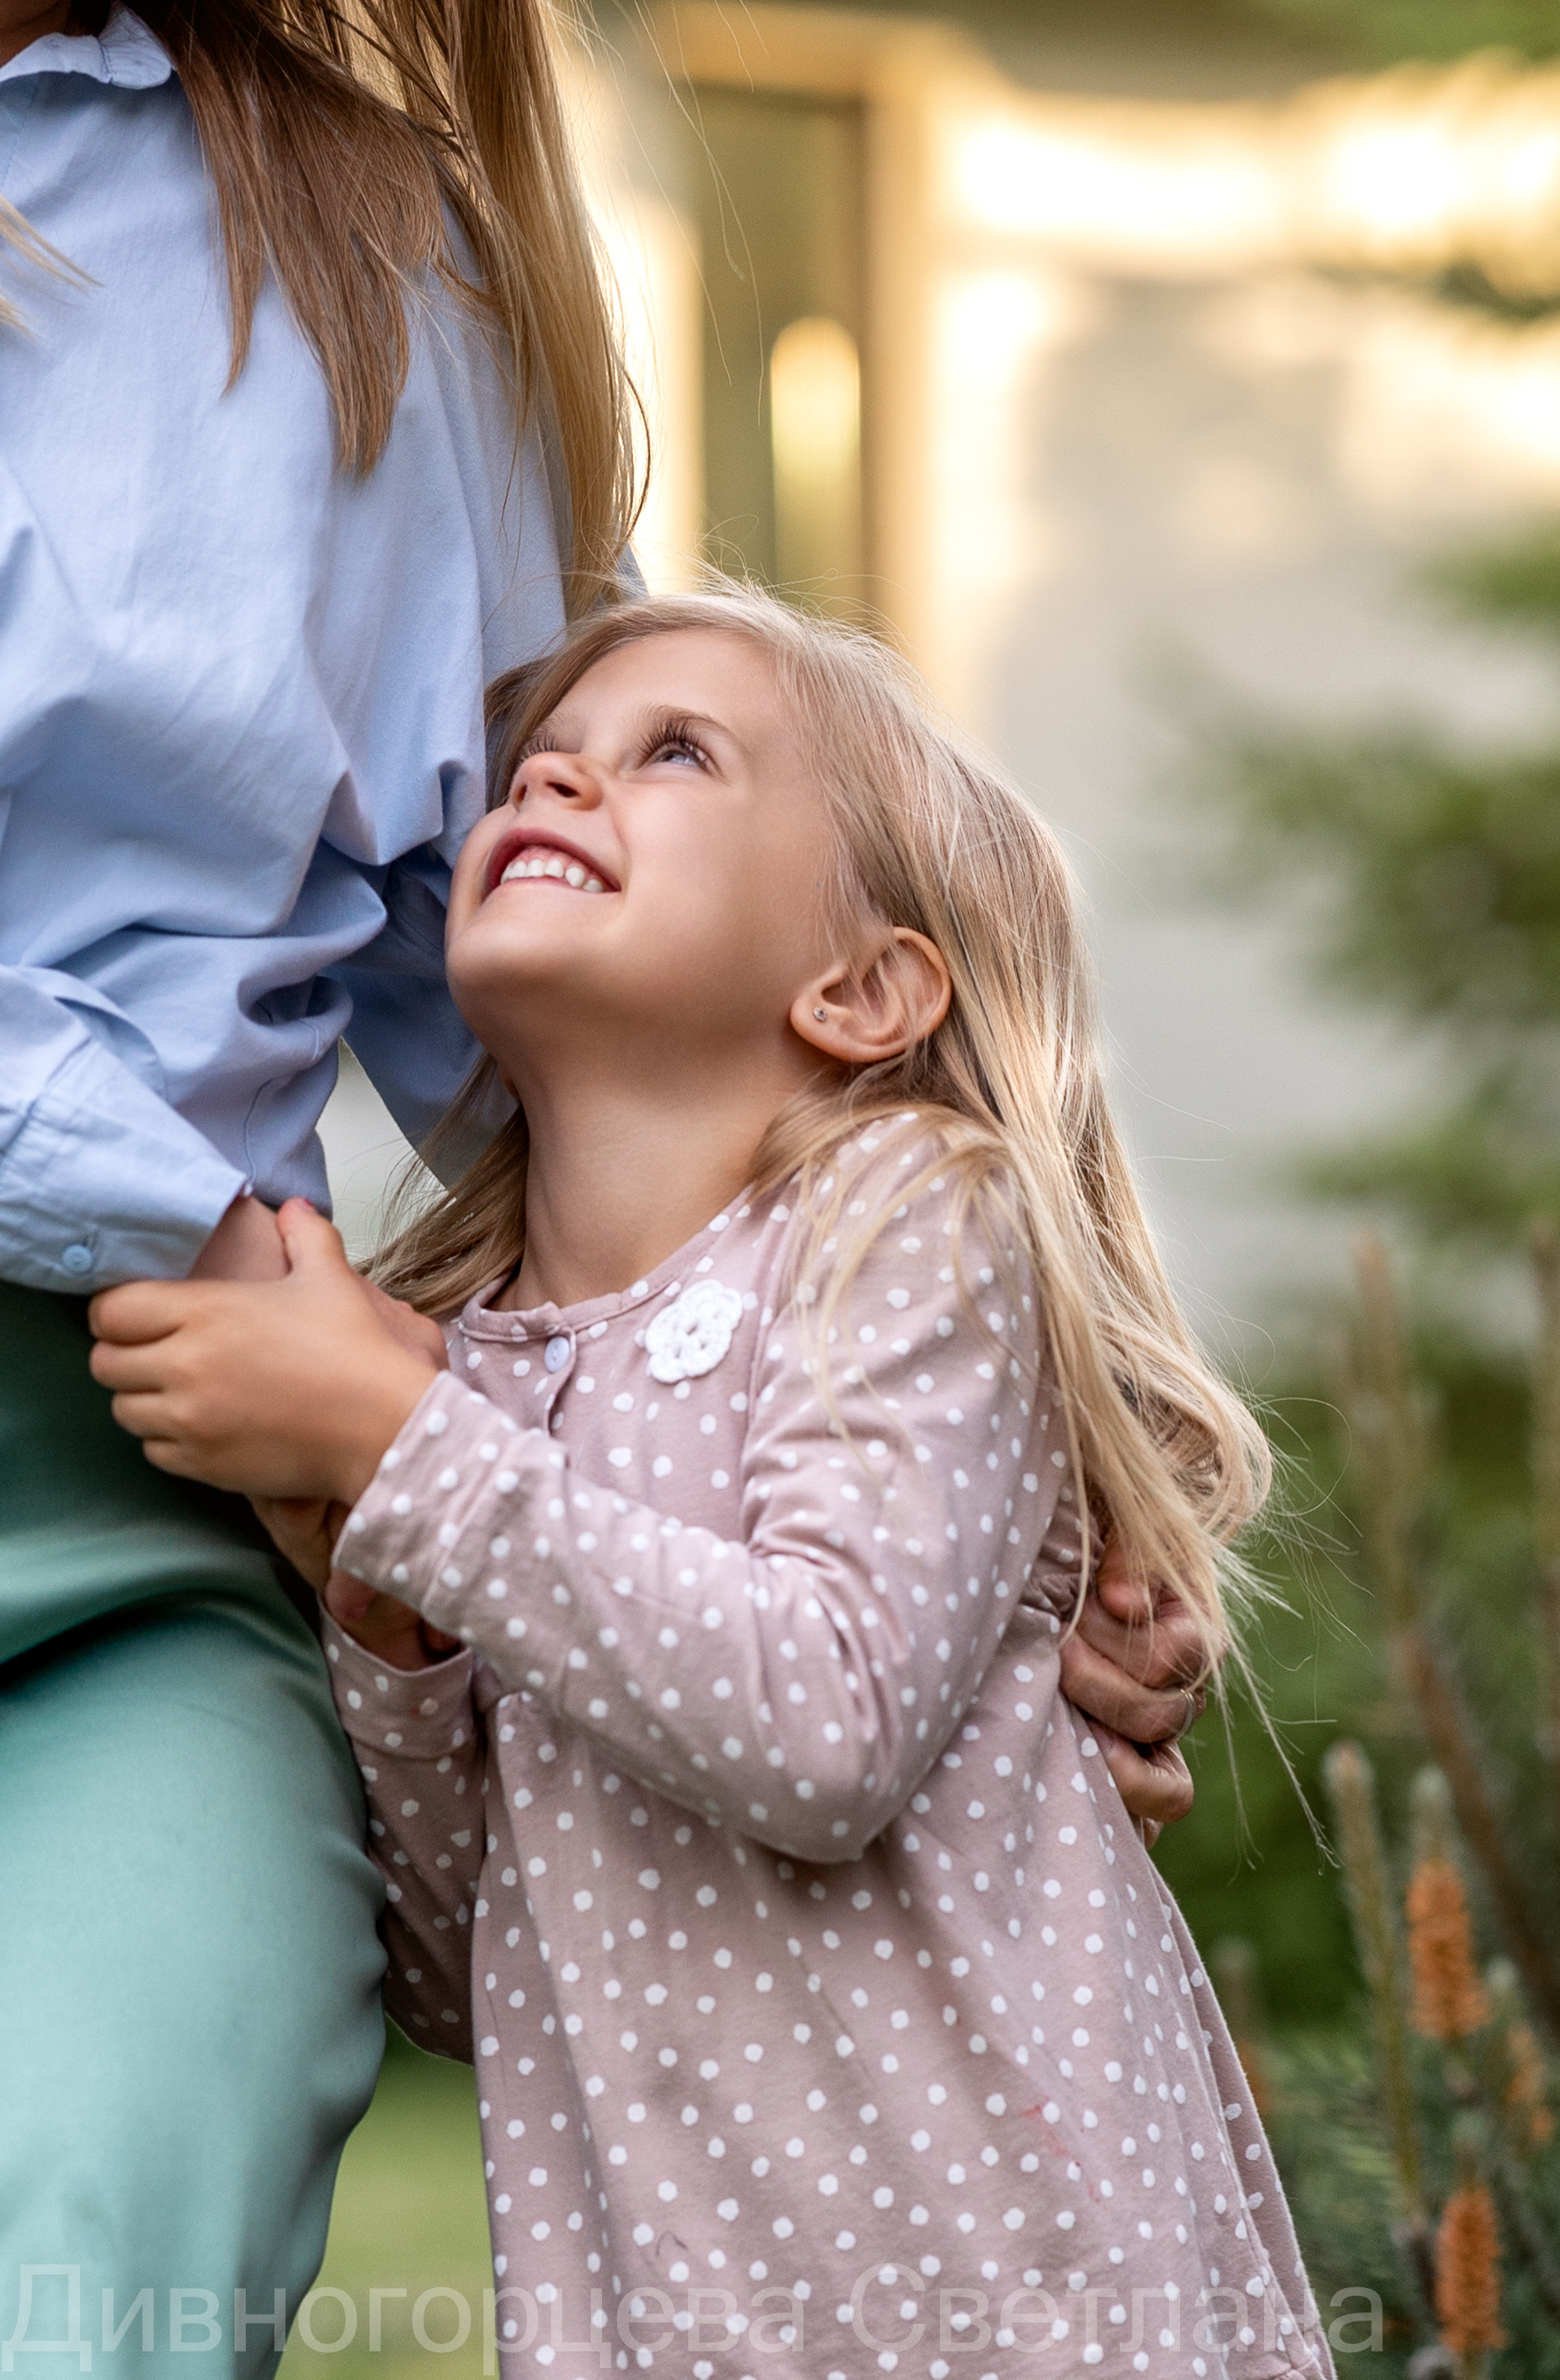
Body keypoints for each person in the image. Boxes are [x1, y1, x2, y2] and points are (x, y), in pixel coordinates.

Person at [91, 588, 1331, 2376]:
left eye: (673, 753)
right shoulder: (467, 1367)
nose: (560, 787)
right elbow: (459, 1972)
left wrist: (393, 1452)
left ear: (864, 985)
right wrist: (380, 1610)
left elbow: (825, 1729)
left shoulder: (899, 1219)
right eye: (539, 765)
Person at [0, 0, 632, 2358]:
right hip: (203, 1299)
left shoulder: (372, 262)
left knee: (86, 2291)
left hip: (148, 1543)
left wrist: (976, 1486)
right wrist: (148, 1190)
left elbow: (585, 1013)